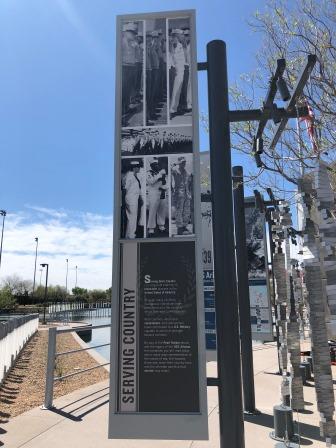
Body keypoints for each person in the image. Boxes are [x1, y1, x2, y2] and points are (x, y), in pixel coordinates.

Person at [171, 156, 192, 235]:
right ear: (179, 163)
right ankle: (180, 228)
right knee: (179, 211)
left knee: (186, 211)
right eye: (182, 162)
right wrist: (175, 164)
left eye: (184, 162)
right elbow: (169, 169)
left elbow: (189, 183)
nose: (184, 164)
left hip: (186, 194)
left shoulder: (187, 173)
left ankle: (184, 227)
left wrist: (189, 194)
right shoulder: (175, 171)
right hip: (179, 194)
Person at [147, 158, 168, 236]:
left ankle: (161, 226)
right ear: (151, 166)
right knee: (152, 210)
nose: (156, 166)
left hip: (162, 192)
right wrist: (159, 174)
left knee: (162, 210)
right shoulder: (149, 173)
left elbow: (165, 182)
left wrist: (164, 187)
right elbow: (151, 182)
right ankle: (151, 228)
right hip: (153, 193)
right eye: (154, 165)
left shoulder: (161, 173)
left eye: (157, 164)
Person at [169, 29, 186, 119]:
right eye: (179, 35)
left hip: (181, 69)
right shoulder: (173, 45)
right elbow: (171, 57)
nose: (180, 37)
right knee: (175, 90)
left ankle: (175, 108)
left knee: (178, 90)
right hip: (176, 70)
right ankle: (172, 110)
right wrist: (173, 67)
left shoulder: (180, 45)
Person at [124, 160, 143, 238]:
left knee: (131, 218)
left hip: (134, 198)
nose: (139, 168)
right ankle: (131, 235)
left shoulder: (134, 175)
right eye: (138, 167)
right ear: (134, 168)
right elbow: (126, 188)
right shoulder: (129, 176)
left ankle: (128, 234)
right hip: (131, 199)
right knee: (133, 217)